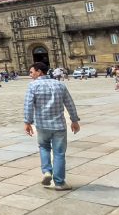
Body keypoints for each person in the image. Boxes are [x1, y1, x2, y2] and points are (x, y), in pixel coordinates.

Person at [24, 61, 81, 190]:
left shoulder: (33, 86)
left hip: (42, 125)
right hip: (59, 125)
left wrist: (27, 122)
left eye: (31, 72)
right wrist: (74, 120)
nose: (30, 75)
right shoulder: (59, 84)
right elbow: (69, 104)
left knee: (44, 147)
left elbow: (28, 106)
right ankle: (60, 183)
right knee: (59, 153)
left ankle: (47, 172)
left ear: (39, 72)